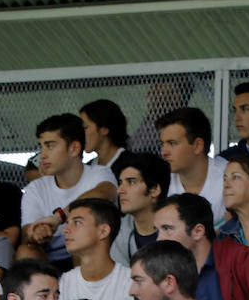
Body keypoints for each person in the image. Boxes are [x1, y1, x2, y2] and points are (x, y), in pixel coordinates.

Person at [153, 193, 249, 300]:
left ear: (198, 231)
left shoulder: (237, 257)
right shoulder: (162, 271)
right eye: (158, 231)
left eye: (167, 229)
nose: (159, 239)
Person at [20, 113, 117, 263]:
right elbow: (26, 233)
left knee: (81, 240)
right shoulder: (35, 188)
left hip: (90, 257)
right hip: (48, 263)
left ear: (74, 148)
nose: (42, 155)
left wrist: (58, 218)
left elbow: (103, 193)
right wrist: (36, 232)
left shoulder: (100, 174)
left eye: (50, 146)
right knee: (25, 251)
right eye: (41, 146)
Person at [57, 198, 140, 300]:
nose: (66, 230)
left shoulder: (131, 282)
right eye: (67, 223)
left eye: (77, 222)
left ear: (103, 231)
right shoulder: (64, 282)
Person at [159, 107, 228, 228]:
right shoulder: (161, 184)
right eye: (163, 144)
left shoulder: (229, 177)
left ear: (197, 146)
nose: (163, 152)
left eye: (172, 143)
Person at [110, 150, 169, 266]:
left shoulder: (178, 228)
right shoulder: (118, 231)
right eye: (120, 182)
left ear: (155, 190)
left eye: (131, 182)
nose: (120, 190)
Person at [80, 99, 129, 167]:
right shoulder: (87, 168)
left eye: (85, 127)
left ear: (104, 130)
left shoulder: (131, 164)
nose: (80, 133)